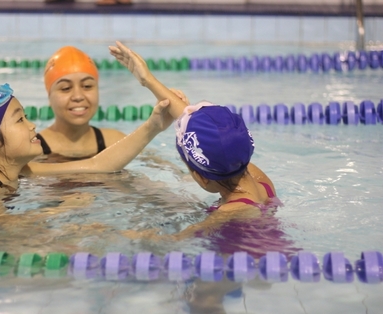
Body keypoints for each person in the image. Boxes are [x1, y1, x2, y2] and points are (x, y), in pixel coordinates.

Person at [110, 41, 299, 257]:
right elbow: (215, 135)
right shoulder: (258, 179)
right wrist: (147, 80)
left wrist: (115, 234)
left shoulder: (228, 213)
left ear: (201, 178)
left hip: (244, 267)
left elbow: (174, 242)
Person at [0, 82, 183, 193]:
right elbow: (5, 237)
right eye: (20, 120)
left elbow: (97, 165)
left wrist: (153, 127)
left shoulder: (21, 171)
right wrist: (60, 217)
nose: (33, 124)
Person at [38, 46, 187, 162]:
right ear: (49, 96)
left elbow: (168, 169)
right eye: (65, 88)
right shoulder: (33, 148)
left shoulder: (115, 141)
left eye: (87, 86)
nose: (78, 96)